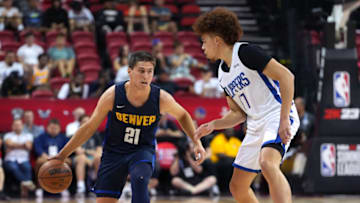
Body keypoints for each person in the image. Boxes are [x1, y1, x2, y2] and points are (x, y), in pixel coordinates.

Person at [51, 51, 206, 203]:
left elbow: (184, 116)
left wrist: (196, 142)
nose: (146, 76)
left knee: (139, 180)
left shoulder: (161, 98)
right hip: (114, 153)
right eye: (141, 71)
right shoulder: (112, 95)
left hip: (142, 150)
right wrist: (62, 155)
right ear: (129, 71)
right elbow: (89, 127)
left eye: (149, 71)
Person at [193, 8, 300, 203]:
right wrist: (213, 125)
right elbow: (238, 114)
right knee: (237, 186)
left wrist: (284, 118)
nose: (202, 47)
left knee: (268, 164)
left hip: (276, 113)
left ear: (217, 40)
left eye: (204, 40)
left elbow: (286, 76)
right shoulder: (222, 73)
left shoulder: (245, 52)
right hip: (255, 123)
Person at [3, 119, 35, 197]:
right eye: (15, 125)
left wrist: (14, 145)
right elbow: (9, 144)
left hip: (24, 159)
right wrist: (23, 145)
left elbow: (29, 146)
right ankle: (27, 183)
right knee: (14, 168)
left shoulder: (28, 135)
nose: (17, 127)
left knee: (27, 167)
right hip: (10, 159)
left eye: (19, 125)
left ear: (22, 126)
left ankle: (25, 190)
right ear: (12, 126)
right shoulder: (7, 135)